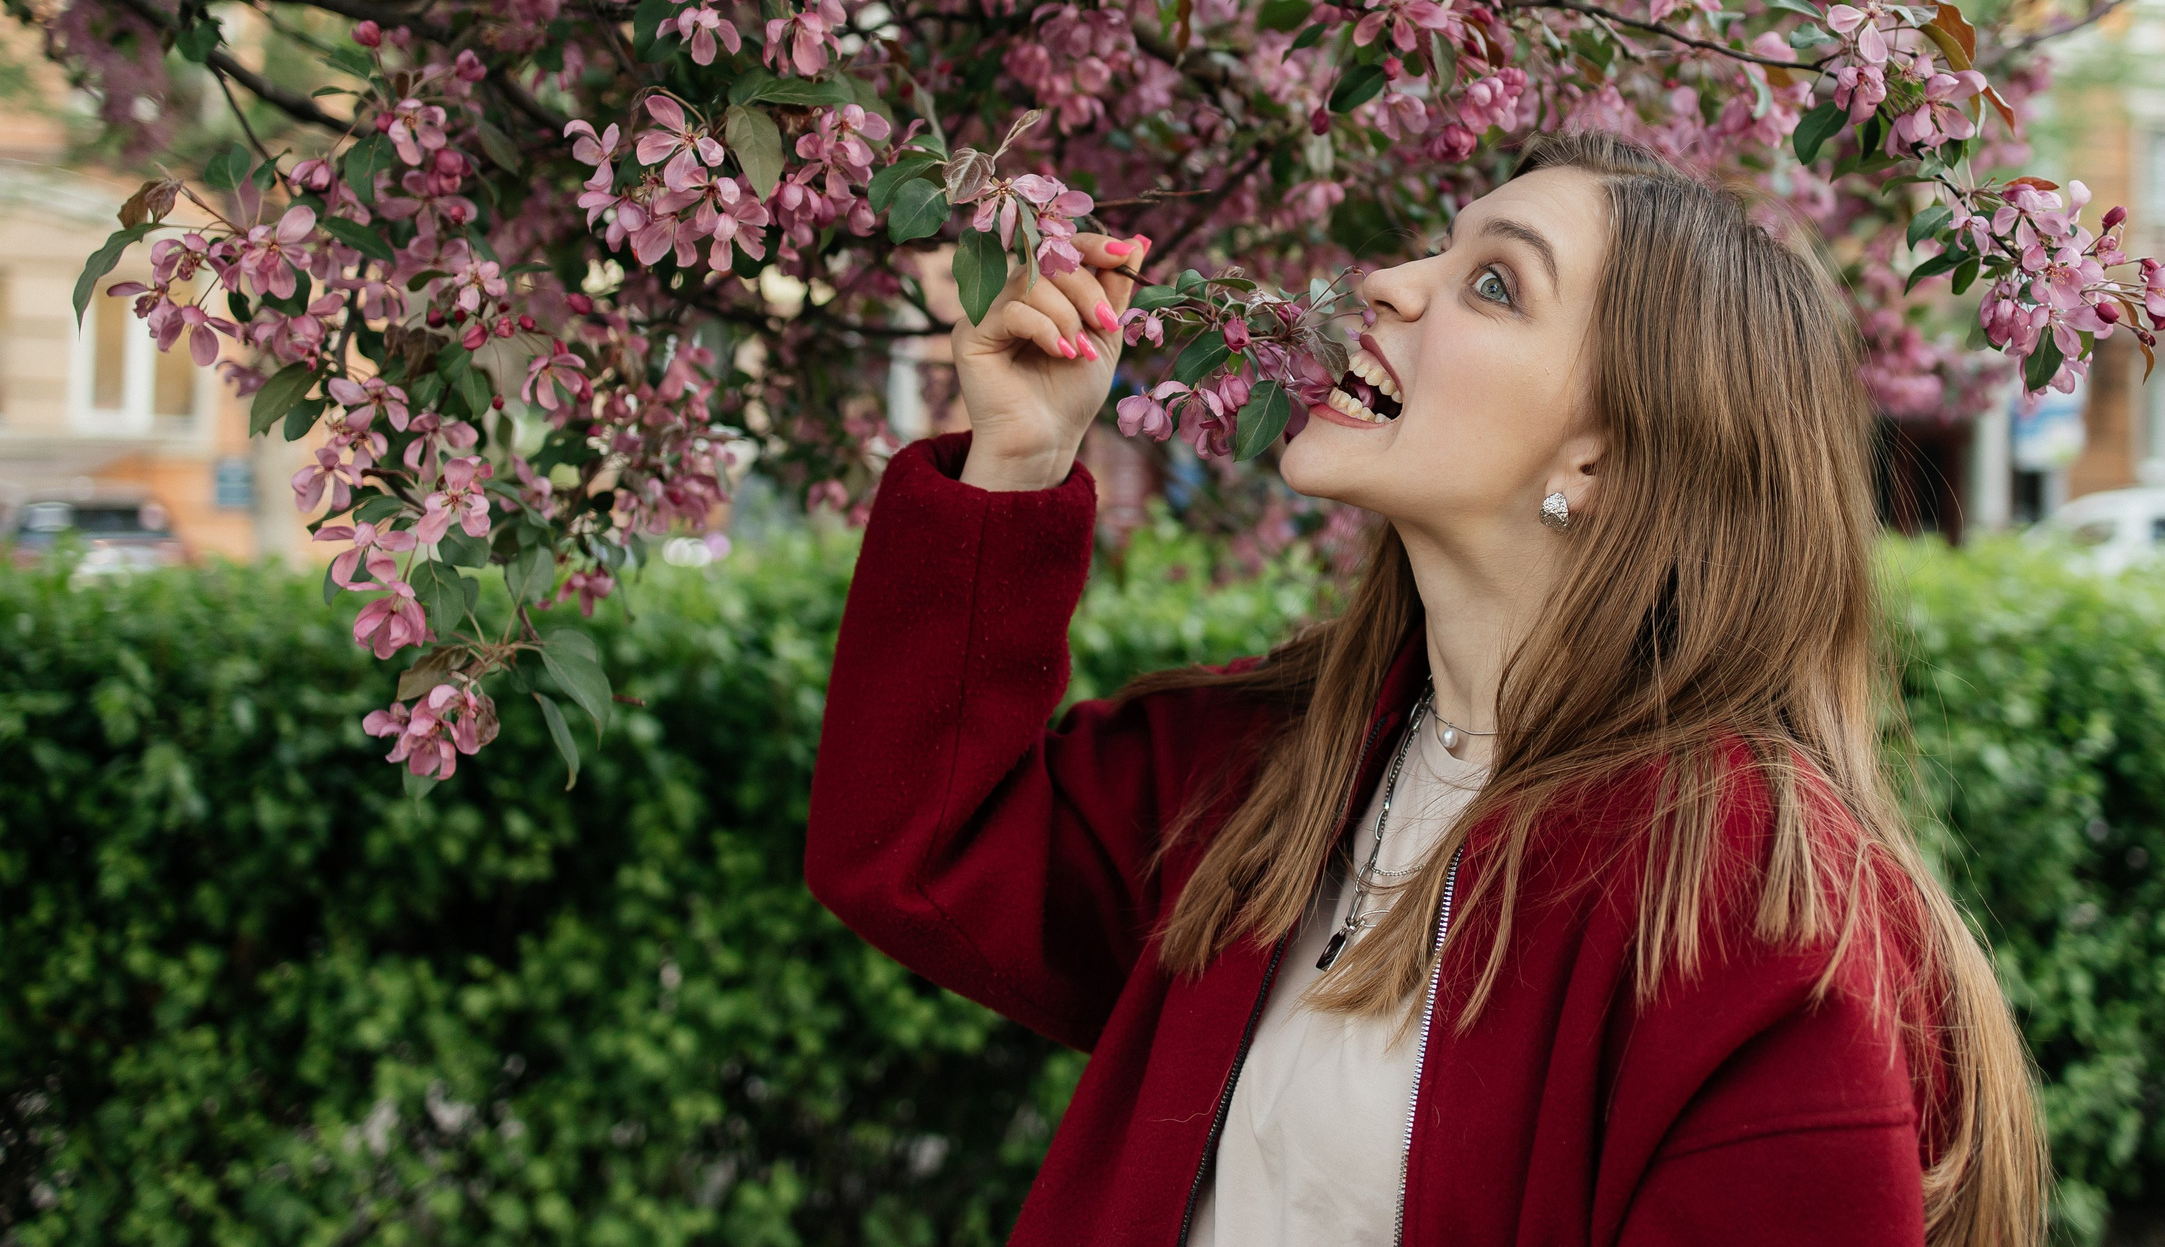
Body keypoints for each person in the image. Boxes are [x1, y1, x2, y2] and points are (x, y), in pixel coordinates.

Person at [806, 131, 2048, 1247]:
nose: (1388, 283)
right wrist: (1020, 456)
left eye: (1493, 284)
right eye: (1439, 251)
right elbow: (926, 845)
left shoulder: (1751, 920)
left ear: (1603, 457)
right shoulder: (1277, 767)